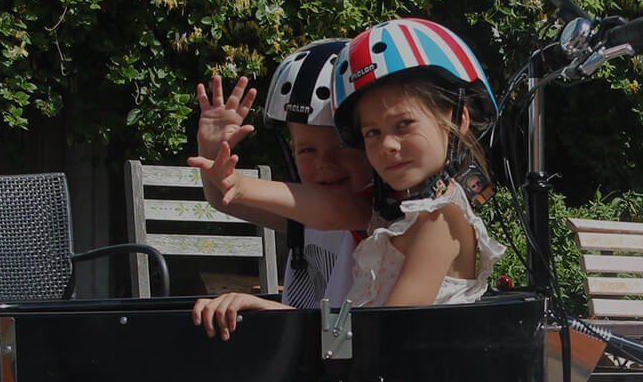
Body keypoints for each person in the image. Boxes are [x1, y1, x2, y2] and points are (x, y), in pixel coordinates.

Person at [191, 17, 504, 338]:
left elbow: (383, 333)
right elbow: (325, 208)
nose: (388, 145)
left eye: (403, 124)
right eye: (372, 133)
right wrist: (233, 180)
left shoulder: (440, 218)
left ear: (458, 118)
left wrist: (277, 314)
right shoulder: (394, 210)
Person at [192, 38, 372, 311]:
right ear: (291, 150)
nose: (324, 162)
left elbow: (346, 336)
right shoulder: (302, 219)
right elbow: (222, 198)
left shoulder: (375, 216)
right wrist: (212, 152)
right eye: (307, 150)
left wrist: (269, 310)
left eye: (342, 146)